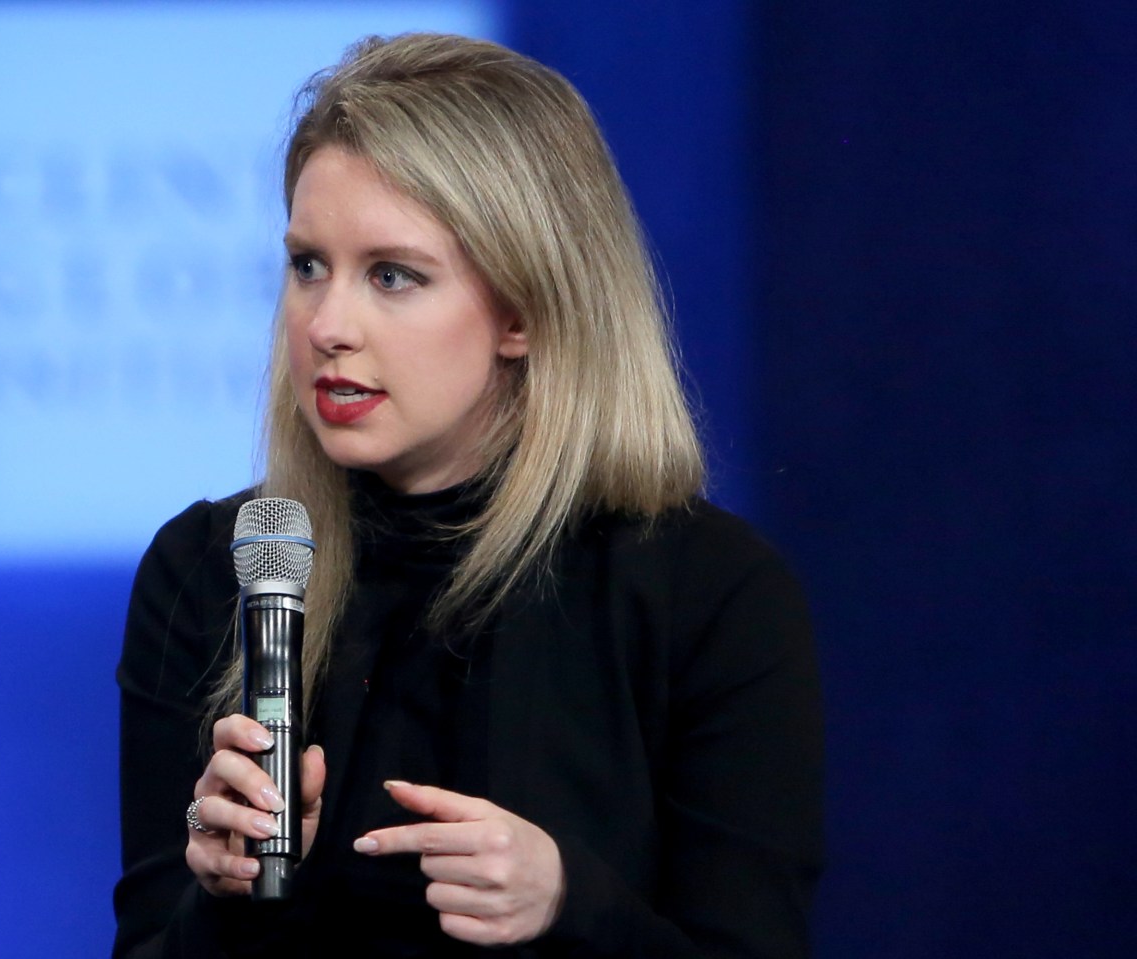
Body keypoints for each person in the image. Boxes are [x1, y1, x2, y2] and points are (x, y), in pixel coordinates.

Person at [112, 33, 822, 959]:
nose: (327, 325)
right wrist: (222, 898)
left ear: (521, 312)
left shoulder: (707, 593)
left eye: (392, 276)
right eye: (308, 265)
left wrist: (570, 902)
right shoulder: (214, 570)